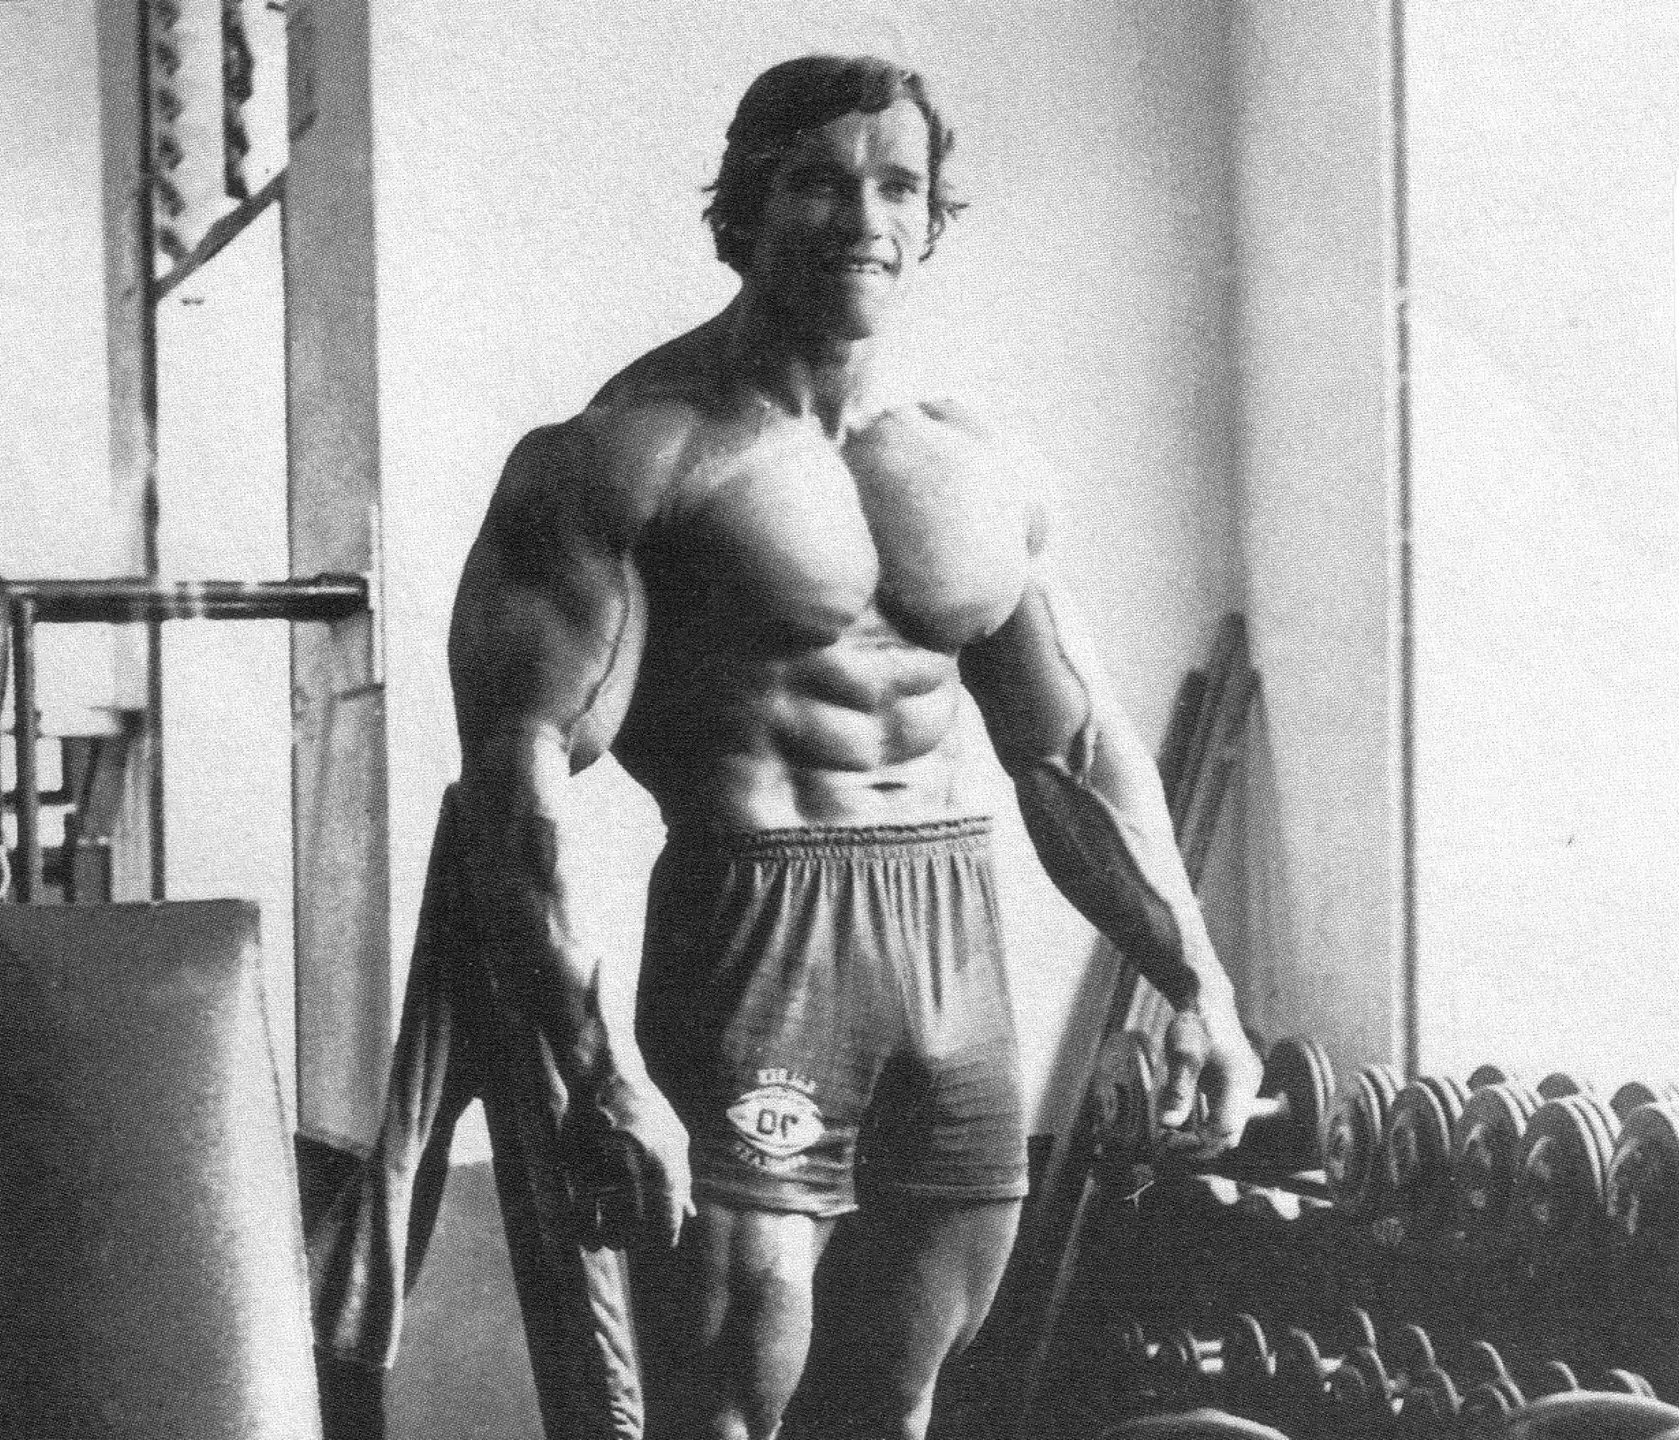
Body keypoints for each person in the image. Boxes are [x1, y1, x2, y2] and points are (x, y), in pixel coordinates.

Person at [448, 54, 1263, 1440]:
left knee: (900, 1394)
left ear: (933, 218)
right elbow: (515, 785)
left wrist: (1198, 984)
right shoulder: (626, 456)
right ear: (743, 208)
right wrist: (596, 1068)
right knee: (730, 1396)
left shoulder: (971, 461)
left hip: (952, 942)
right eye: (820, 182)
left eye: (898, 186)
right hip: (758, 941)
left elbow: (1071, 750)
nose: (864, 217)